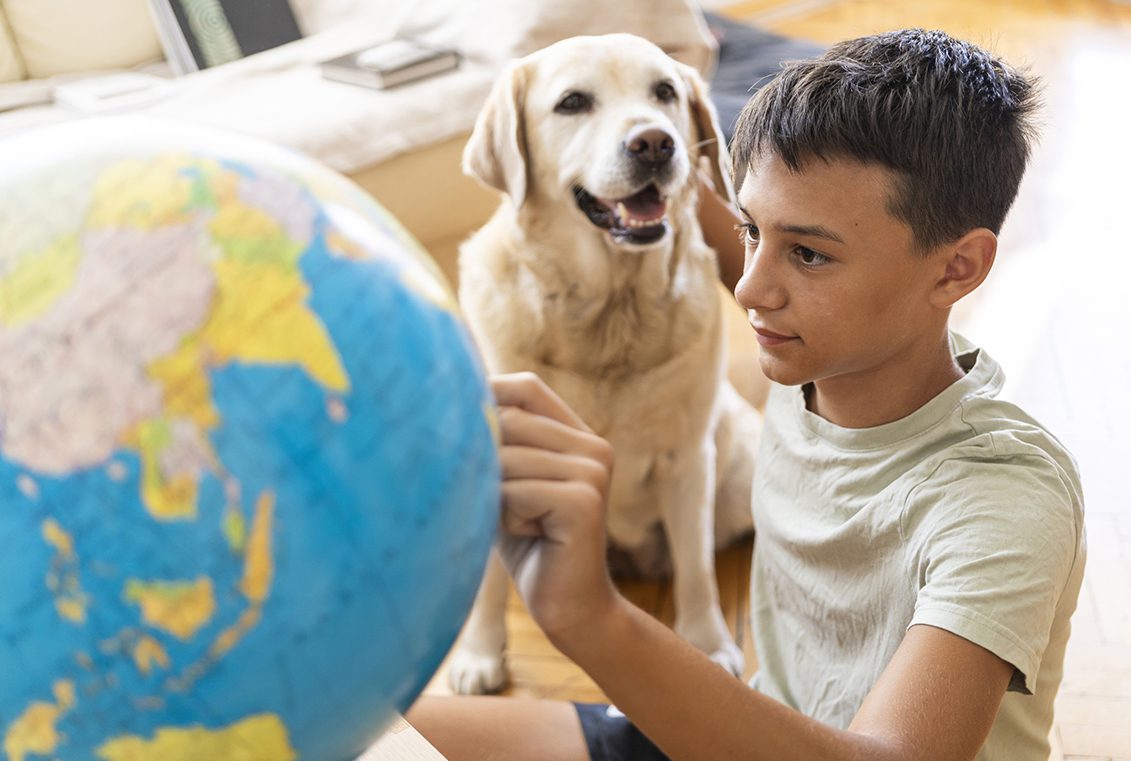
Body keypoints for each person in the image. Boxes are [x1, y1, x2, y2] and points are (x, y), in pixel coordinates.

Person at [408, 28, 1086, 761]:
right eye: (748, 230)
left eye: (806, 253)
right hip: (753, 732)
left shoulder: (1003, 499)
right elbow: (675, 182)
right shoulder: (822, 350)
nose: (748, 286)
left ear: (957, 269)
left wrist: (593, 616)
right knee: (360, 734)